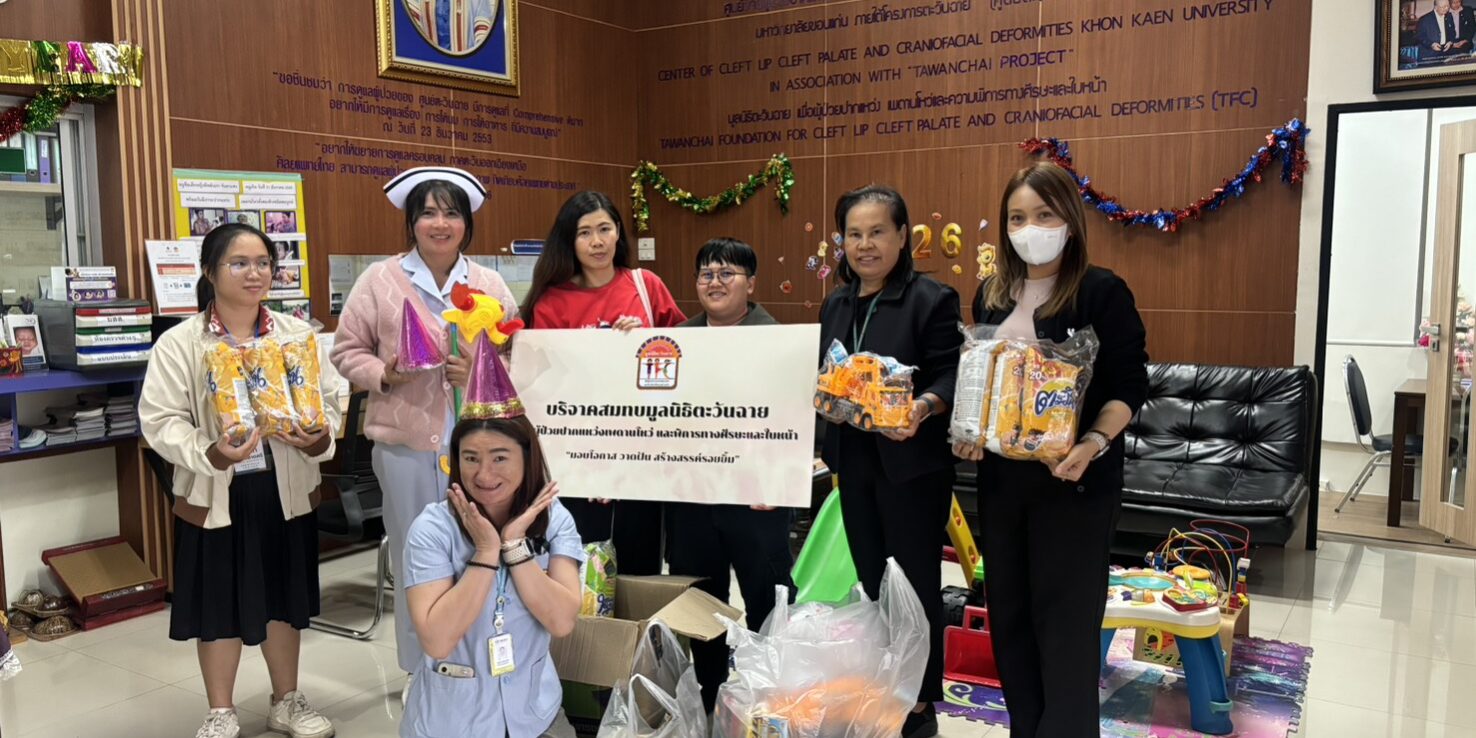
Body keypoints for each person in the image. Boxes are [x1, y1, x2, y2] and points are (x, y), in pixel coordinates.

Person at [953, 162, 1148, 738]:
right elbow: (983, 381)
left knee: (1064, 629)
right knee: (1010, 621)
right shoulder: (990, 294)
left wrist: (1092, 442)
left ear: (1070, 220)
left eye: (1043, 215)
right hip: (1002, 486)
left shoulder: (1101, 292)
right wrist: (970, 429)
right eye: (1017, 218)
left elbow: (1129, 387)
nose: (1028, 229)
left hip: (1074, 484)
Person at [140, 223, 343, 738]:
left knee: (284, 599)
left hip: (284, 489)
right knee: (219, 604)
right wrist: (210, 452)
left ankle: (286, 700)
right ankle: (221, 711)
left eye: (263, 263)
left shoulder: (297, 336)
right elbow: (160, 421)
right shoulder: (181, 343)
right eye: (239, 263)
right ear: (210, 271)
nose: (255, 273)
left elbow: (331, 402)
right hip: (216, 492)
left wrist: (317, 436)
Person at [331, 166, 519, 684]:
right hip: (406, 449)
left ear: (466, 224)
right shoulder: (379, 281)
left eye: (451, 213)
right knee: (418, 557)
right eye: (428, 213)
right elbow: (345, 351)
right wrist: (384, 374)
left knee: (481, 552)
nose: (440, 224)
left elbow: (516, 353)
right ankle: (422, 671)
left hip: (481, 447)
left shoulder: (489, 284)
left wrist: (480, 369)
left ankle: (481, 661)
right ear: (411, 221)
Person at [816, 185, 961, 738]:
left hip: (912, 466)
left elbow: (951, 371)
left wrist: (923, 407)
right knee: (874, 581)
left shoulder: (931, 298)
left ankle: (919, 702)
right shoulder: (837, 303)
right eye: (854, 234)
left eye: (877, 232)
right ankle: (885, 683)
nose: (865, 245)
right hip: (852, 462)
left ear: (903, 236)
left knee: (915, 583)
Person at [400, 335, 583, 738]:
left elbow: (562, 620)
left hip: (536, 713)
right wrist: (485, 552)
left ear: (527, 457)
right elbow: (437, 640)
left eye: (500, 457)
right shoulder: (433, 529)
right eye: (471, 458)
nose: (484, 475)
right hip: (452, 723)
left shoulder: (554, 519)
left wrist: (515, 548)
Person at [521, 190, 685, 575]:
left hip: (644, 450)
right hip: (578, 455)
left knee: (640, 563)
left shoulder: (646, 286)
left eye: (604, 229)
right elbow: (542, 387)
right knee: (579, 568)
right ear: (569, 240)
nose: (597, 242)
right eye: (584, 233)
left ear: (618, 233)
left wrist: (646, 339)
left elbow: (685, 353)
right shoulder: (551, 301)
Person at [667, 237, 793, 712]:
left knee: (766, 596)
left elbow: (796, 420)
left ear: (751, 284)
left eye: (727, 273)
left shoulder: (779, 341)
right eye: (706, 274)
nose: (715, 283)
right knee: (702, 599)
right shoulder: (679, 340)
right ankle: (710, 695)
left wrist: (780, 478)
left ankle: (773, 697)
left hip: (757, 497)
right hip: (693, 497)